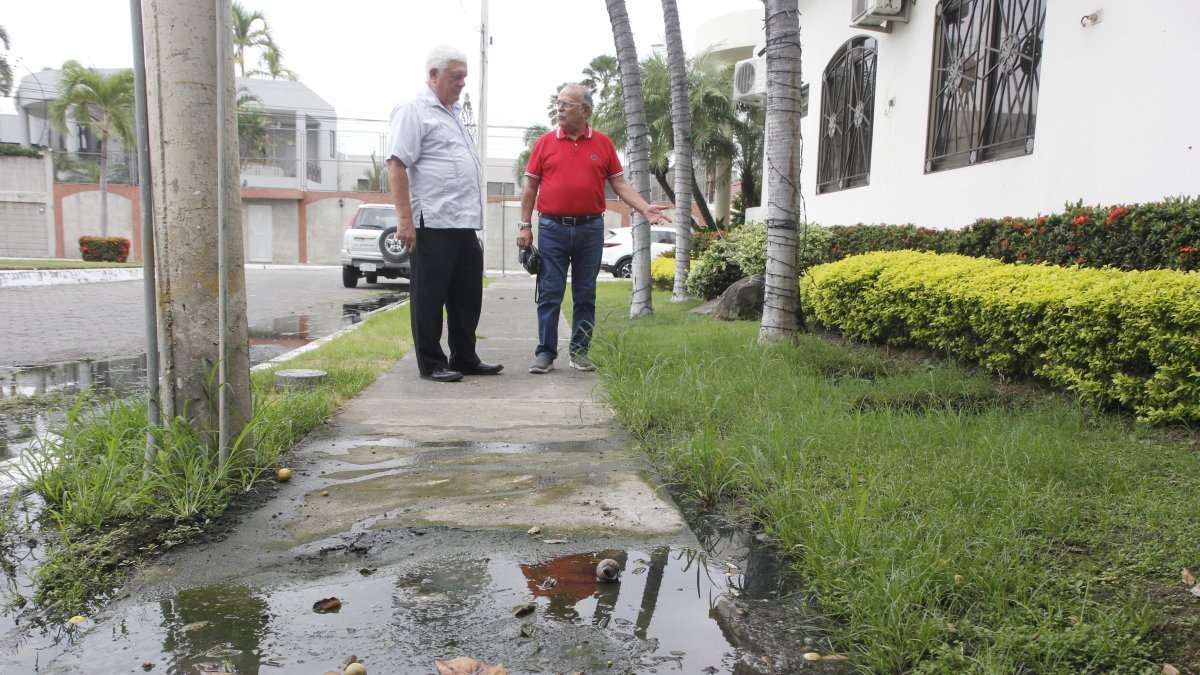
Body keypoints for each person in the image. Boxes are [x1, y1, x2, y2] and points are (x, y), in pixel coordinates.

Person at [517, 84, 669, 374]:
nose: (560, 108)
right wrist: (525, 225)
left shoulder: (603, 143)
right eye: (558, 103)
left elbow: (619, 183)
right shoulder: (545, 143)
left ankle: (580, 352)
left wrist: (643, 207)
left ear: (585, 111)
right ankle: (545, 353)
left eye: (567, 104)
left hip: (589, 229)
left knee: (585, 293)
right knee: (550, 292)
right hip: (552, 228)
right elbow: (530, 187)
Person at [386, 46, 502, 382]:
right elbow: (396, 165)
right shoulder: (413, 110)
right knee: (429, 296)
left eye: (464, 76)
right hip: (431, 222)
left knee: (467, 294)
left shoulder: (452, 113)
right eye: (456, 76)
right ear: (434, 75)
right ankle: (431, 363)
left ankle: (464, 357)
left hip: (463, 223)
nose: (462, 82)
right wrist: (405, 221)